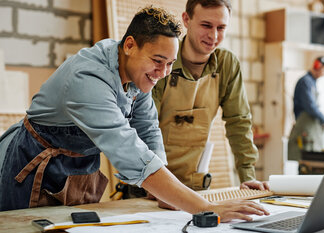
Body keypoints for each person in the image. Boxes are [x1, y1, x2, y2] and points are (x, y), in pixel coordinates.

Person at [0, 6, 269, 222]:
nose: (163, 73)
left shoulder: (135, 74)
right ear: (130, 45)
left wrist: (164, 193)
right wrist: (206, 208)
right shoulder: (89, 78)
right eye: (157, 61)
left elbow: (148, 127)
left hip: (77, 172)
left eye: (170, 64)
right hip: (34, 169)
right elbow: (128, 150)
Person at [152, 0, 268, 194]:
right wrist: (156, 183)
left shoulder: (226, 64)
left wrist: (248, 177)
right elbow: (145, 126)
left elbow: (238, 122)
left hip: (194, 187)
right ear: (186, 20)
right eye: (206, 25)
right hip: (150, 184)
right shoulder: (163, 59)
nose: (213, 36)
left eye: (221, 28)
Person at [287, 56, 324, 161]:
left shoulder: (312, 83)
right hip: (304, 128)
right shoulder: (305, 82)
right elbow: (310, 106)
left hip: (310, 129)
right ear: (317, 66)